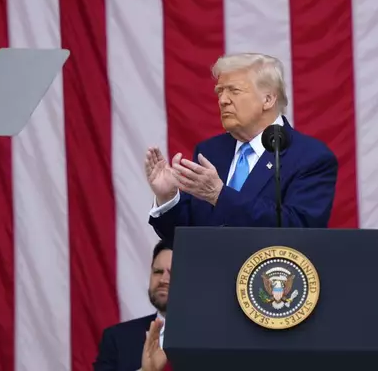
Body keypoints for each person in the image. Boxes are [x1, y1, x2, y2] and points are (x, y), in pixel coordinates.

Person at [145, 52, 338, 242]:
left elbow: (300, 229)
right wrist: (168, 198)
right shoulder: (210, 152)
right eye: (220, 92)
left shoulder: (310, 156)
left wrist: (220, 196)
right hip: (209, 273)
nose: (223, 100)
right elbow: (184, 237)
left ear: (268, 99)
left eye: (234, 91)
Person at [93, 241, 173, 371]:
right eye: (158, 272)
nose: (163, 280)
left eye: (173, 272)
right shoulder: (117, 338)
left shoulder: (214, 338)